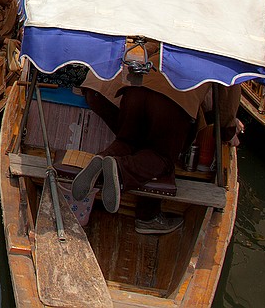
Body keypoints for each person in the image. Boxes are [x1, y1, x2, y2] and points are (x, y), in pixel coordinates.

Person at [73, 49, 241, 235]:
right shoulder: (225, 48)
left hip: (136, 88)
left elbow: (141, 51)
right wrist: (228, 132)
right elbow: (228, 98)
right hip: (172, 100)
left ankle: (102, 158)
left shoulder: (174, 35)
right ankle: (122, 172)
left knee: (127, 141)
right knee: (162, 158)